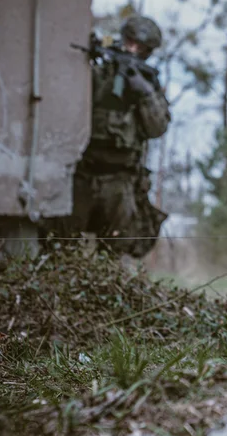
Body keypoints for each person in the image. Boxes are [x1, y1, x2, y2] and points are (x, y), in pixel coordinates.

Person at [46, 15, 171, 259]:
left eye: (140, 48)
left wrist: (144, 93)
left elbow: (158, 128)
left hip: (120, 179)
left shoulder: (148, 86)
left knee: (113, 250)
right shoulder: (99, 72)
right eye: (130, 42)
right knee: (61, 244)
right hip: (83, 171)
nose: (133, 50)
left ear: (148, 52)